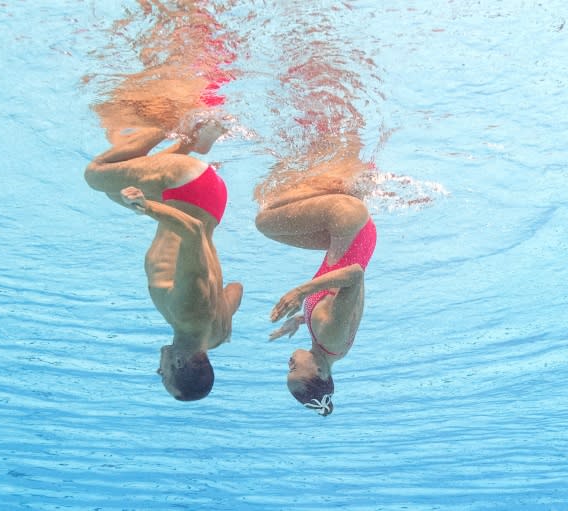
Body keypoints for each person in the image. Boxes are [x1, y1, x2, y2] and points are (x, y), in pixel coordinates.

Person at [84, 118, 243, 402]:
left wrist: (221, 311)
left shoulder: (215, 337)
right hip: (188, 186)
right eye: (163, 374)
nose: (159, 368)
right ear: (178, 365)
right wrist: (146, 208)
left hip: (209, 203)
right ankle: (173, 119)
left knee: (113, 192)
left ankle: (191, 143)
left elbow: (235, 289)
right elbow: (192, 232)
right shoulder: (187, 314)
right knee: (96, 175)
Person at [255, 159, 376, 416]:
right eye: (293, 370)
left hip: (348, 231)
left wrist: (301, 320)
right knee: (265, 217)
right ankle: (339, 185)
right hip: (348, 221)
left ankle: (346, 180)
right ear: (320, 372)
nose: (289, 364)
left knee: (273, 225)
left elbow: (334, 303)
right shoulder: (331, 337)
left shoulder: (328, 346)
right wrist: (300, 292)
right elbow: (356, 275)